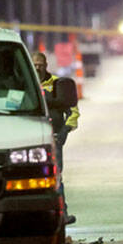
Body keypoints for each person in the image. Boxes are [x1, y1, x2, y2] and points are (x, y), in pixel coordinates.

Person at [33, 50, 79, 225]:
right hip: (30, 140)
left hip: (53, 137)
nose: (37, 68)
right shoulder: (25, 85)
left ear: (46, 66)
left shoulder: (58, 84)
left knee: (55, 176)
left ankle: (62, 214)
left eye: (40, 65)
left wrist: (64, 131)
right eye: (34, 65)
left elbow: (73, 111)